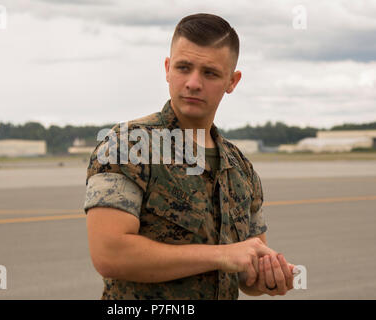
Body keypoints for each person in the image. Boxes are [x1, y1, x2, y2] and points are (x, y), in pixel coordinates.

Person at [84, 13, 295, 300]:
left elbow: (246, 269)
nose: (193, 83)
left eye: (210, 73)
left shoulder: (239, 167)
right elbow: (110, 254)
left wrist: (267, 277)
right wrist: (221, 256)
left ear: (232, 81)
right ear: (168, 69)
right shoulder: (128, 146)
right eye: (184, 67)